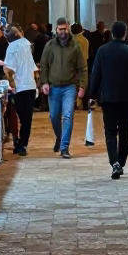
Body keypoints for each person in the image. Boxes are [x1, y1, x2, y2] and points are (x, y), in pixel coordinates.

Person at [90, 20, 128, 178]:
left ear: (111, 34)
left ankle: (114, 161)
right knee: (124, 131)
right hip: (126, 98)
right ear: (124, 33)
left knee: (109, 131)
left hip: (108, 98)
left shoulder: (102, 51)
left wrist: (92, 95)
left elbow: (96, 75)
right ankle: (121, 162)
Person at [39, 17, 87, 158]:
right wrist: (44, 83)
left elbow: (82, 68)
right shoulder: (50, 46)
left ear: (68, 28)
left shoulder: (75, 46)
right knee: (54, 116)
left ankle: (64, 147)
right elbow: (44, 66)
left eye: (65, 29)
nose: (63, 32)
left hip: (69, 87)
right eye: (60, 29)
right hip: (53, 87)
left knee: (67, 116)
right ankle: (60, 138)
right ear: (56, 30)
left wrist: (82, 86)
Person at [2, 23, 38, 155]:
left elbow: (8, 69)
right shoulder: (27, 44)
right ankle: (22, 144)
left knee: (17, 118)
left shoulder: (11, 47)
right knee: (26, 119)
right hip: (30, 85)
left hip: (20, 87)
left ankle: (19, 143)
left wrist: (12, 86)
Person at [70, 22, 91, 109]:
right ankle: (82, 105)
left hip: (71, 66)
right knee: (83, 86)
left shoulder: (70, 41)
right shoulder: (85, 41)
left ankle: (73, 104)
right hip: (83, 66)